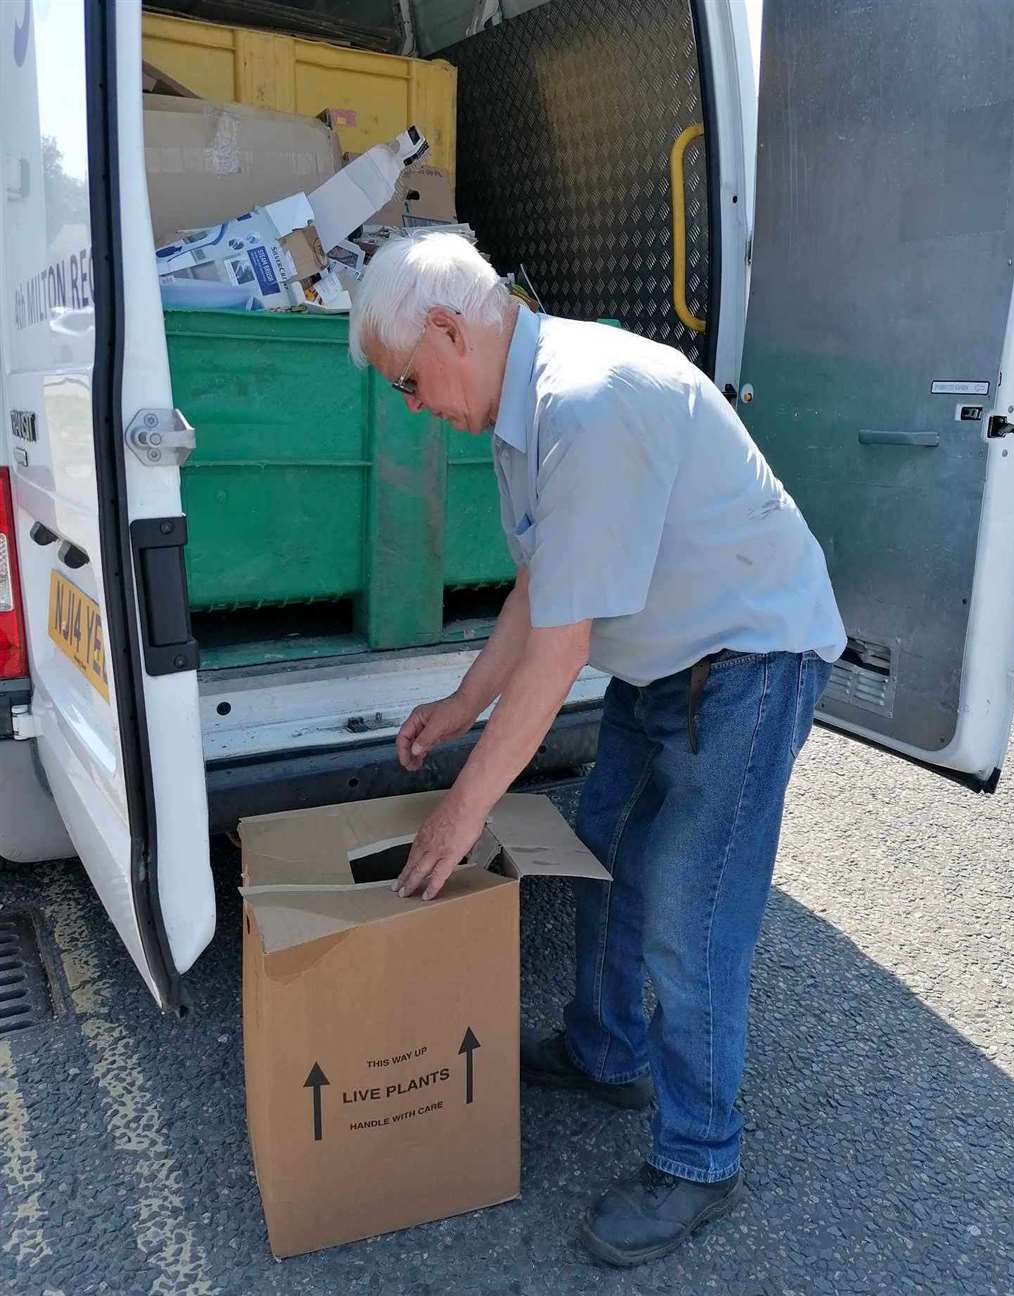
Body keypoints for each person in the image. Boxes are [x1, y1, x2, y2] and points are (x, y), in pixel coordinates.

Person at [348, 232, 846, 1267]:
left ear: (448, 329)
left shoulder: (589, 399)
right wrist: (459, 702)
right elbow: (543, 586)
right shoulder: (517, 410)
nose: (411, 404)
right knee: (600, 852)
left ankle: (702, 1159)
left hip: (747, 659)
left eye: (406, 380)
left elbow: (563, 646)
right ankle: (607, 1050)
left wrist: (463, 807)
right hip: (664, 657)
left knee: (688, 911)